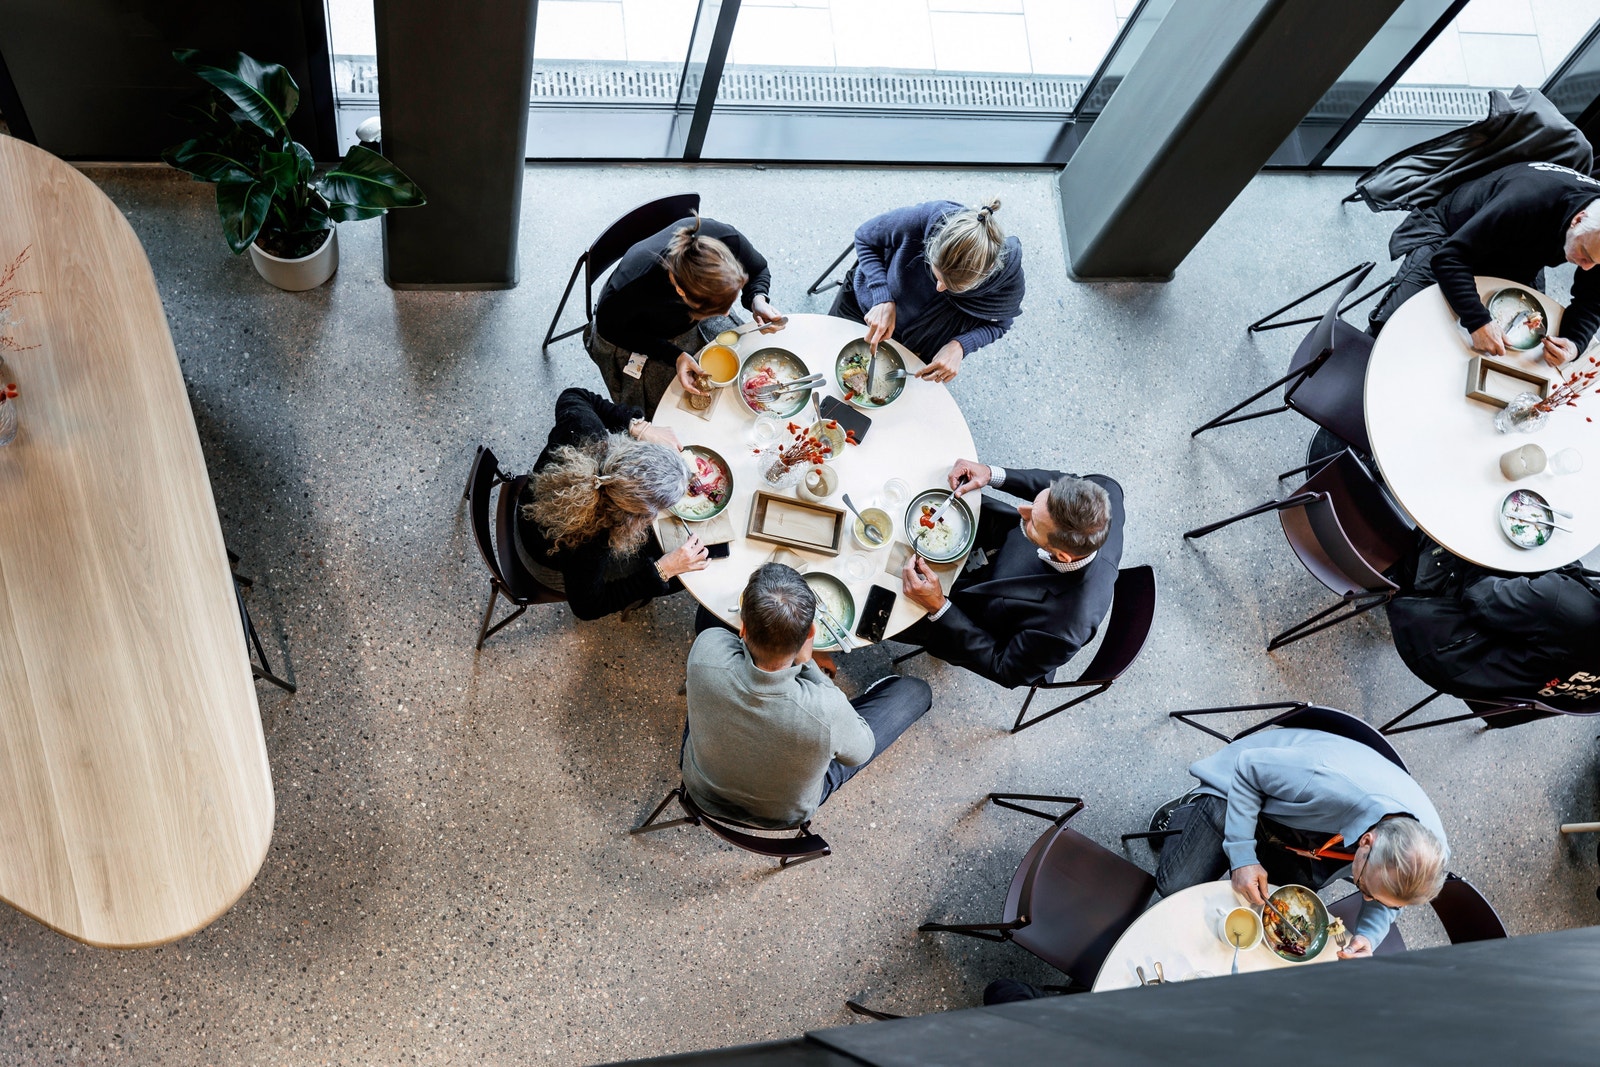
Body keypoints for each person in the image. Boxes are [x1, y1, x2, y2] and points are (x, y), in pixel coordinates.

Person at [1154, 728, 1449, 957]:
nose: (1367, 899)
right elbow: (1248, 768)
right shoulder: (1325, 778)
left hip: (1311, 840)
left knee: (1280, 927)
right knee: (1174, 886)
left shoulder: (1426, 858)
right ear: (1367, 842)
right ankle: (1190, 806)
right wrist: (1243, 856)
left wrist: (1368, 935)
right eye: (1363, 888)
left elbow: (1391, 897)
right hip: (1245, 789)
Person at [681, 564, 933, 830]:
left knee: (708, 615)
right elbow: (860, 753)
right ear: (811, 634)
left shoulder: (707, 648)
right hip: (782, 817)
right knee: (917, 692)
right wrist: (811, 666)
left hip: (701, 788)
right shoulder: (828, 708)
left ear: (743, 628)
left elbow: (723, 637)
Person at [894, 459, 1123, 690]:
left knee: (888, 609)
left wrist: (939, 606)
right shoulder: (1105, 495)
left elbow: (1003, 667)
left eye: (1033, 521)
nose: (1021, 510)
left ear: (1062, 556)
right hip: (998, 541)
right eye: (1034, 504)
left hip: (973, 617)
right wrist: (992, 474)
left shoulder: (1063, 629)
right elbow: (1060, 484)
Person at [1369, 160, 1600, 366]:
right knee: (1391, 327)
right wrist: (1478, 322)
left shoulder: (1592, 236)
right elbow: (1450, 258)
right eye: (1584, 255)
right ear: (1578, 219)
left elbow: (1593, 298)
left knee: (1519, 354)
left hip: (1519, 256)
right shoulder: (1528, 199)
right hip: (1452, 237)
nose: (1586, 267)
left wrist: (1575, 342)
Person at [514, 387, 707, 621]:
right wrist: (662, 571)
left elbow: (573, 395)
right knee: (676, 578)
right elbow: (587, 607)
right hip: (542, 557)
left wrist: (638, 427)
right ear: (637, 514)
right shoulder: (590, 540)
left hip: (535, 503)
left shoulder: (585, 432)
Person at [589, 214, 782, 411]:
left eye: (727, 303)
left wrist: (757, 298)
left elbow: (758, 269)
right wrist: (674, 356)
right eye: (713, 311)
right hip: (635, 331)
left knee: (746, 357)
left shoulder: (726, 240)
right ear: (681, 293)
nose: (726, 314)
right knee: (661, 407)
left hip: (664, 314)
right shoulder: (630, 291)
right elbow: (612, 333)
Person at [829, 199, 1025, 384]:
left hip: (920, 348)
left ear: (987, 271)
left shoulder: (1008, 281)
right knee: (826, 359)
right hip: (863, 307)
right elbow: (864, 237)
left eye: (952, 287)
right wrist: (882, 297)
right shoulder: (924, 220)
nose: (939, 288)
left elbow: (1000, 324)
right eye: (936, 276)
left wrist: (961, 346)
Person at [1386, 547, 1600, 704]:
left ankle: (1387, 576)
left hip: (1442, 649)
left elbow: (1478, 596)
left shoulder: (1562, 602)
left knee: (1447, 535)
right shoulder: (1569, 603)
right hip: (1509, 694)